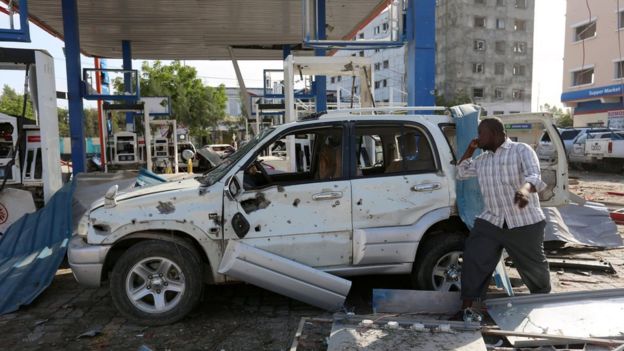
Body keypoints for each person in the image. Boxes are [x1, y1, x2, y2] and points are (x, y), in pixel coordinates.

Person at [456, 117, 551, 319]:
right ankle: (467, 309)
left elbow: (534, 176)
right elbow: (461, 172)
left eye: (481, 133)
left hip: (524, 221)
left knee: (533, 268)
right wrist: (471, 148)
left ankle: (543, 306)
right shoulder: (482, 160)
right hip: (492, 219)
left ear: (494, 133)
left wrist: (524, 191)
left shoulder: (521, 150)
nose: (478, 137)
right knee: (473, 259)